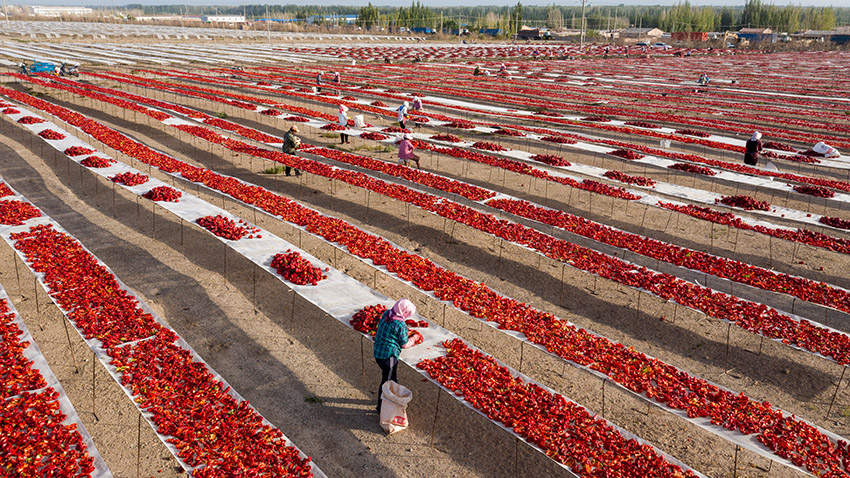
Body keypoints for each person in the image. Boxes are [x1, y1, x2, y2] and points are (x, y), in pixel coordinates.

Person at [373, 299, 418, 412]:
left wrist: (406, 332)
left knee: (392, 378)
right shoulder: (400, 324)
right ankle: (382, 406)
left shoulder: (387, 313)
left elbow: (392, 331)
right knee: (388, 382)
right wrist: (413, 339)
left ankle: (392, 400)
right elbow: (404, 344)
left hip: (378, 351)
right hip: (389, 356)